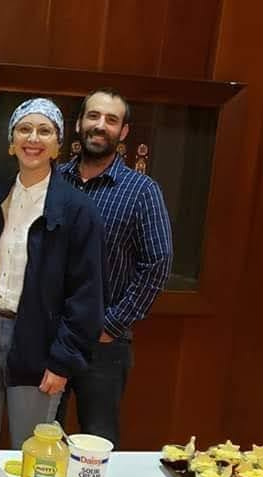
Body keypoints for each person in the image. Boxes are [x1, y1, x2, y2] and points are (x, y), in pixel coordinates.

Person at [0, 97, 105, 450]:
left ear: (58, 144)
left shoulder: (77, 210)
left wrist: (63, 360)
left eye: (45, 131)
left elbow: (87, 294)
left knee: (31, 449)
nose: (33, 139)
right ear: (11, 142)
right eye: (24, 129)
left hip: (39, 344)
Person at [56, 88, 173, 447]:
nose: (100, 126)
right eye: (93, 116)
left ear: (123, 132)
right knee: (43, 439)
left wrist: (112, 324)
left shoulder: (141, 191)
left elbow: (158, 263)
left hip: (103, 345)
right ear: (79, 124)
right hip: (51, 336)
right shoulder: (53, 180)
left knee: (98, 443)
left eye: (111, 120)